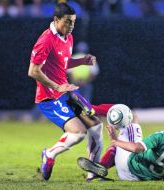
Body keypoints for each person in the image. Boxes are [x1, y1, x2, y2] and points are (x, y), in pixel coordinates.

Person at [28, 2, 103, 181]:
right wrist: (56, 86)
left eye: (74, 22)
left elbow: (63, 62)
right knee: (78, 133)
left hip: (65, 93)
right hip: (49, 98)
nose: (71, 26)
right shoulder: (45, 39)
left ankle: (93, 174)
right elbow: (33, 71)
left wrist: (82, 61)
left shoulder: (68, 37)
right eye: (68, 22)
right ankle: (49, 154)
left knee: (96, 126)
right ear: (56, 20)